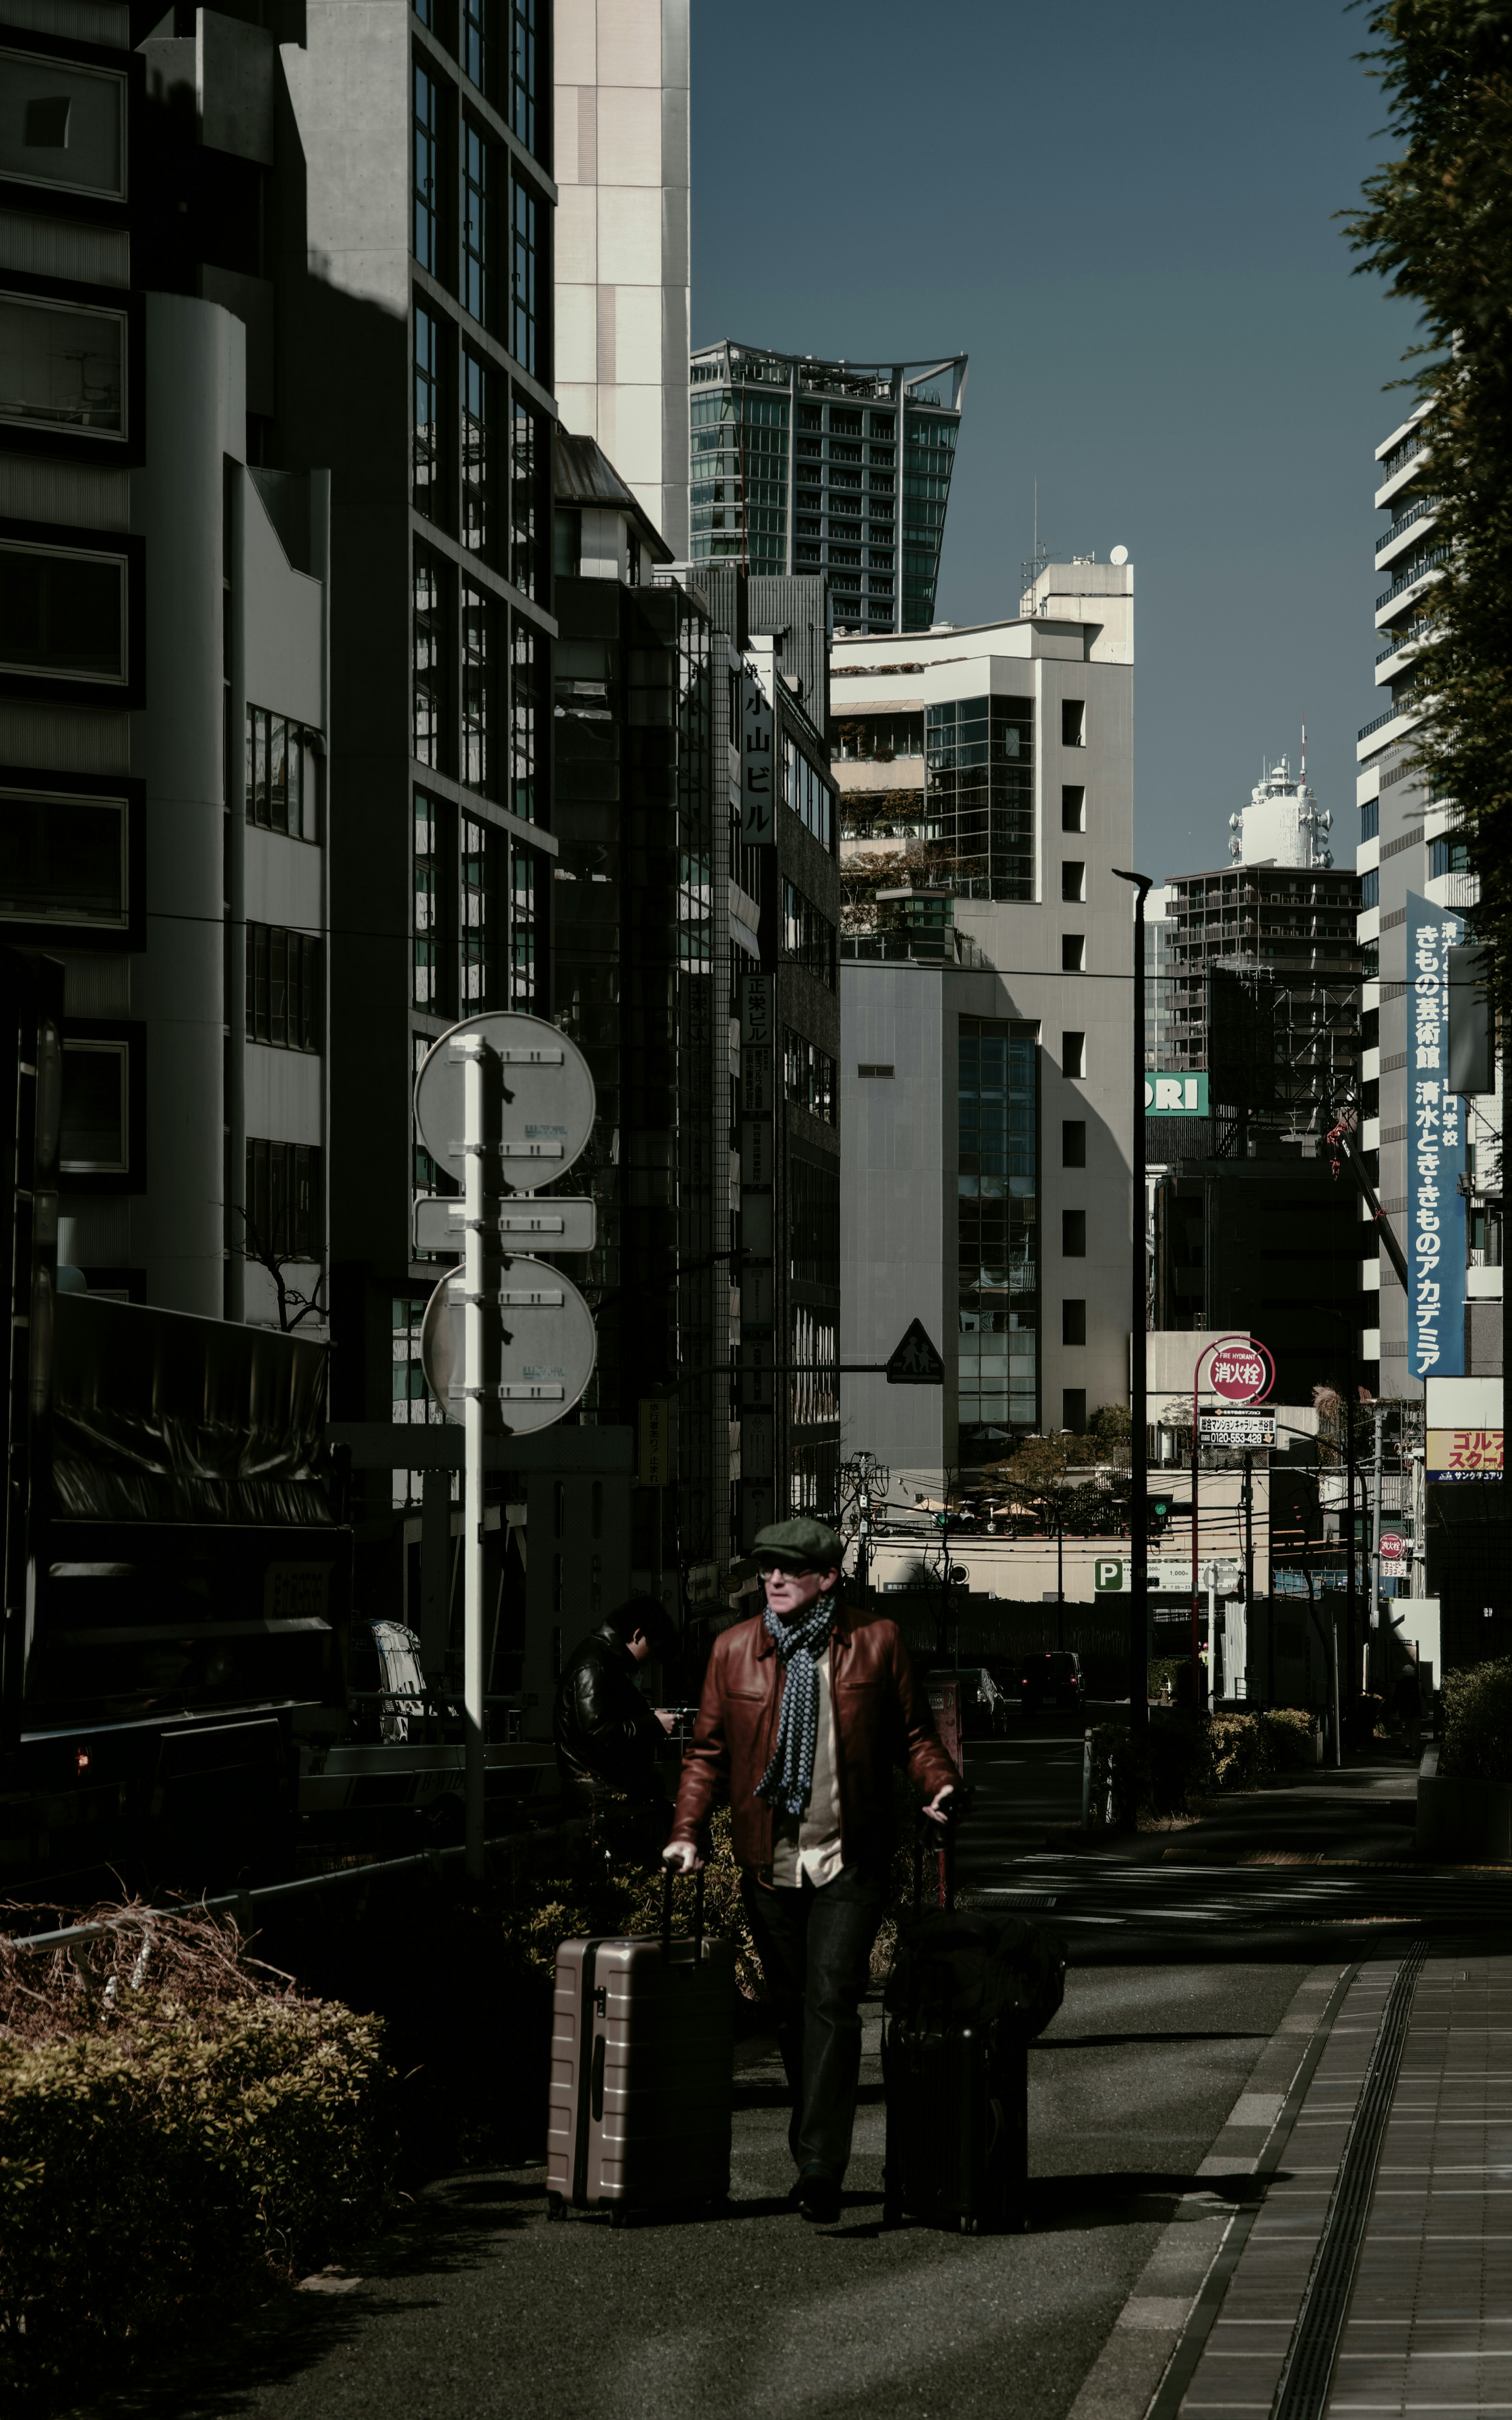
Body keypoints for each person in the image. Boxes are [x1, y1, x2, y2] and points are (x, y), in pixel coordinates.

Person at [663, 1515, 960, 2225]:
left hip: (850, 1857)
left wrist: (938, 1783)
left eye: (791, 1568)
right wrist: (686, 1831)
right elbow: (706, 1754)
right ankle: (815, 2146)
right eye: (768, 1567)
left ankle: (821, 2164)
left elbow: (914, 1735)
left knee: (831, 1999)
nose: (774, 1579)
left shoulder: (876, 1642)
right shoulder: (733, 1649)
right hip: (770, 1863)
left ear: (828, 1577)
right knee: (794, 2015)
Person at [554, 1594, 678, 1819]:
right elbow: (596, 1734)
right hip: (604, 1799)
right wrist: (652, 1724)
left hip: (604, 1794)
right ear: (637, 1635)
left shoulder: (600, 1661)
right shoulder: (595, 1666)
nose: (651, 1661)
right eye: (653, 1648)